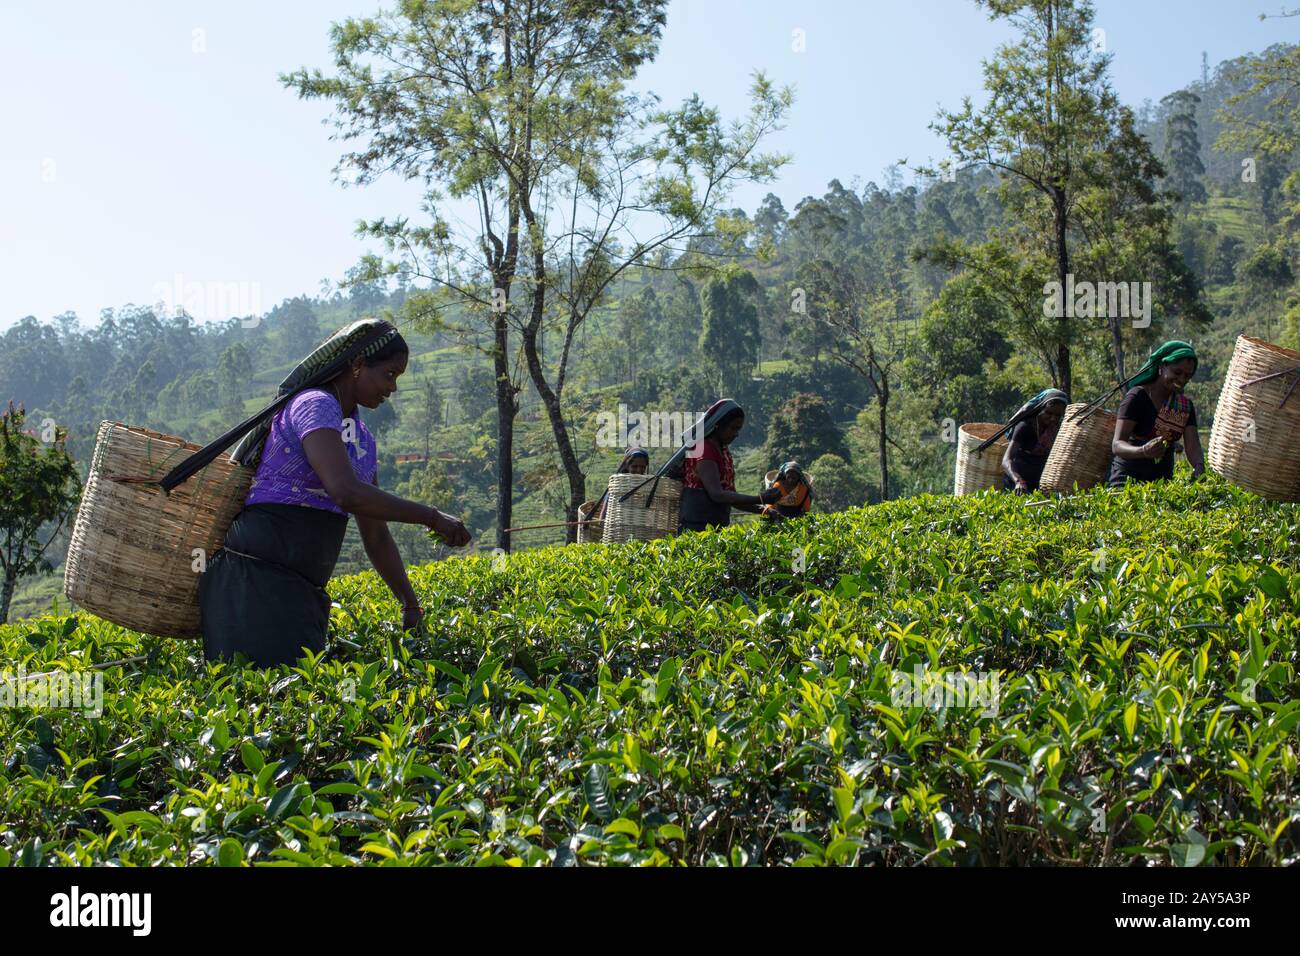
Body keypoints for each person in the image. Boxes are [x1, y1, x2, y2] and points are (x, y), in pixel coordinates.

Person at [197, 319, 470, 668]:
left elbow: (375, 534)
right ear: (357, 366)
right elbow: (345, 493)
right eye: (388, 375)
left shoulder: (362, 441)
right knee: (255, 692)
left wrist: (409, 603)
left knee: (295, 693)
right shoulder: (314, 403)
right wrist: (431, 518)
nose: (393, 388)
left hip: (303, 587)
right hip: (256, 579)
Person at [1107, 340, 1205, 488]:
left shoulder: (1185, 406)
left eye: (1187, 376)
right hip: (1127, 482)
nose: (1181, 379)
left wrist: (1199, 465)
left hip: (1162, 483)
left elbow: (1193, 446)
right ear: (1161, 366)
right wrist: (1143, 451)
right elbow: (1117, 445)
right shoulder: (1137, 397)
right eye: (1177, 372)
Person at [678, 399, 781, 533]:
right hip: (695, 529)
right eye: (733, 428)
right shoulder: (704, 448)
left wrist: (765, 510)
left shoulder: (724, 452)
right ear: (718, 425)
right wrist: (761, 499)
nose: (736, 434)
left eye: (738, 429)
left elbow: (731, 497)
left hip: (716, 529)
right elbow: (717, 494)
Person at [1000, 389, 1068, 493]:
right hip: (1017, 483)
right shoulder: (1025, 426)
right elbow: (1006, 460)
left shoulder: (1057, 429)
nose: (1053, 418)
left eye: (1058, 415)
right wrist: (1018, 481)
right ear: (1040, 409)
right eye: (1048, 413)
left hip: (1040, 483)